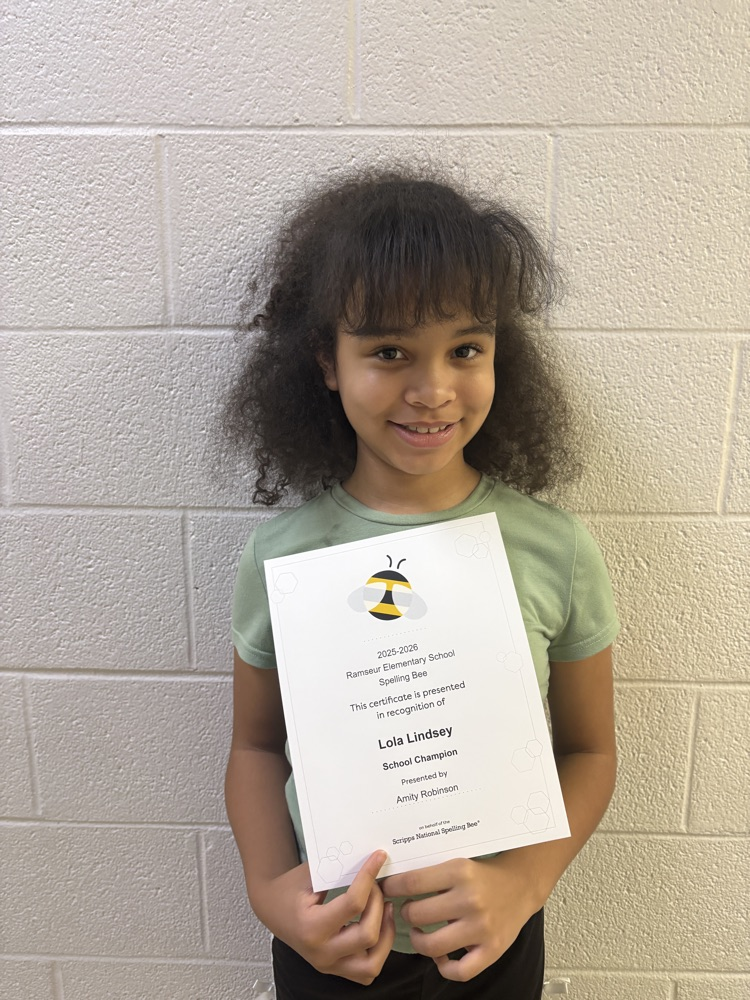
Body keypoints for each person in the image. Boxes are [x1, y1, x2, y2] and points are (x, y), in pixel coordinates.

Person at [224, 168, 619, 999]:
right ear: (327, 362)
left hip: (491, 943)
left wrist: (523, 886)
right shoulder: (282, 558)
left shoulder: (555, 550)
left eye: (465, 349)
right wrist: (271, 893)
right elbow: (257, 747)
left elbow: (589, 750)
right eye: (389, 351)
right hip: (332, 942)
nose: (433, 389)